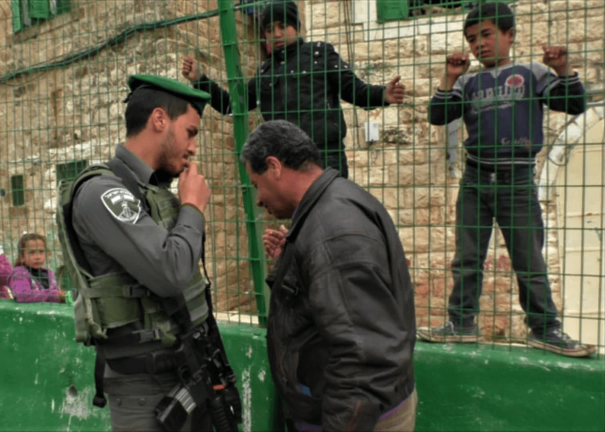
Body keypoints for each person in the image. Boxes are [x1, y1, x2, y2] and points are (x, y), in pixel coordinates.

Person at [58, 74, 240, 432]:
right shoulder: (104, 192)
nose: (193, 148)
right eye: (190, 132)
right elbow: (169, 272)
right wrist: (192, 208)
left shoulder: (150, 191)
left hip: (187, 368)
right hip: (147, 392)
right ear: (160, 120)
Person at [420, 2, 593, 357]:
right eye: (471, 39)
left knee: (529, 261)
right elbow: (439, 115)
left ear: (509, 34)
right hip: (475, 179)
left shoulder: (532, 73)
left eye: (485, 35)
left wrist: (562, 69)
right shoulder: (468, 82)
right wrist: (449, 78)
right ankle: (461, 324)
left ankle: (546, 329)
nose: (478, 45)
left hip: (517, 181)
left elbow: (574, 104)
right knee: (467, 258)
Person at [243, 120, 417, 431]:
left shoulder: (332, 230)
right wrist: (294, 259)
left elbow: (362, 357)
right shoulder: (331, 208)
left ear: (274, 166)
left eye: (257, 184)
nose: (258, 199)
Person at [181, 0, 405, 178]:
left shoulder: (320, 55)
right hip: (285, 163)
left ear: (296, 28)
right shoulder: (264, 72)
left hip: (324, 157)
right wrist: (200, 79)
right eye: (269, 29)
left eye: (282, 26)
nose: (276, 34)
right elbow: (231, 106)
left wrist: (382, 94)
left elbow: (354, 90)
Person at [8, 233, 66, 304]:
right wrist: (52, 295)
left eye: (41, 252)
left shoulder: (49, 274)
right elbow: (22, 295)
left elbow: (55, 293)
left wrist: (61, 296)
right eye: (32, 252)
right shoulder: (19, 274)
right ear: (22, 257)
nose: (38, 257)